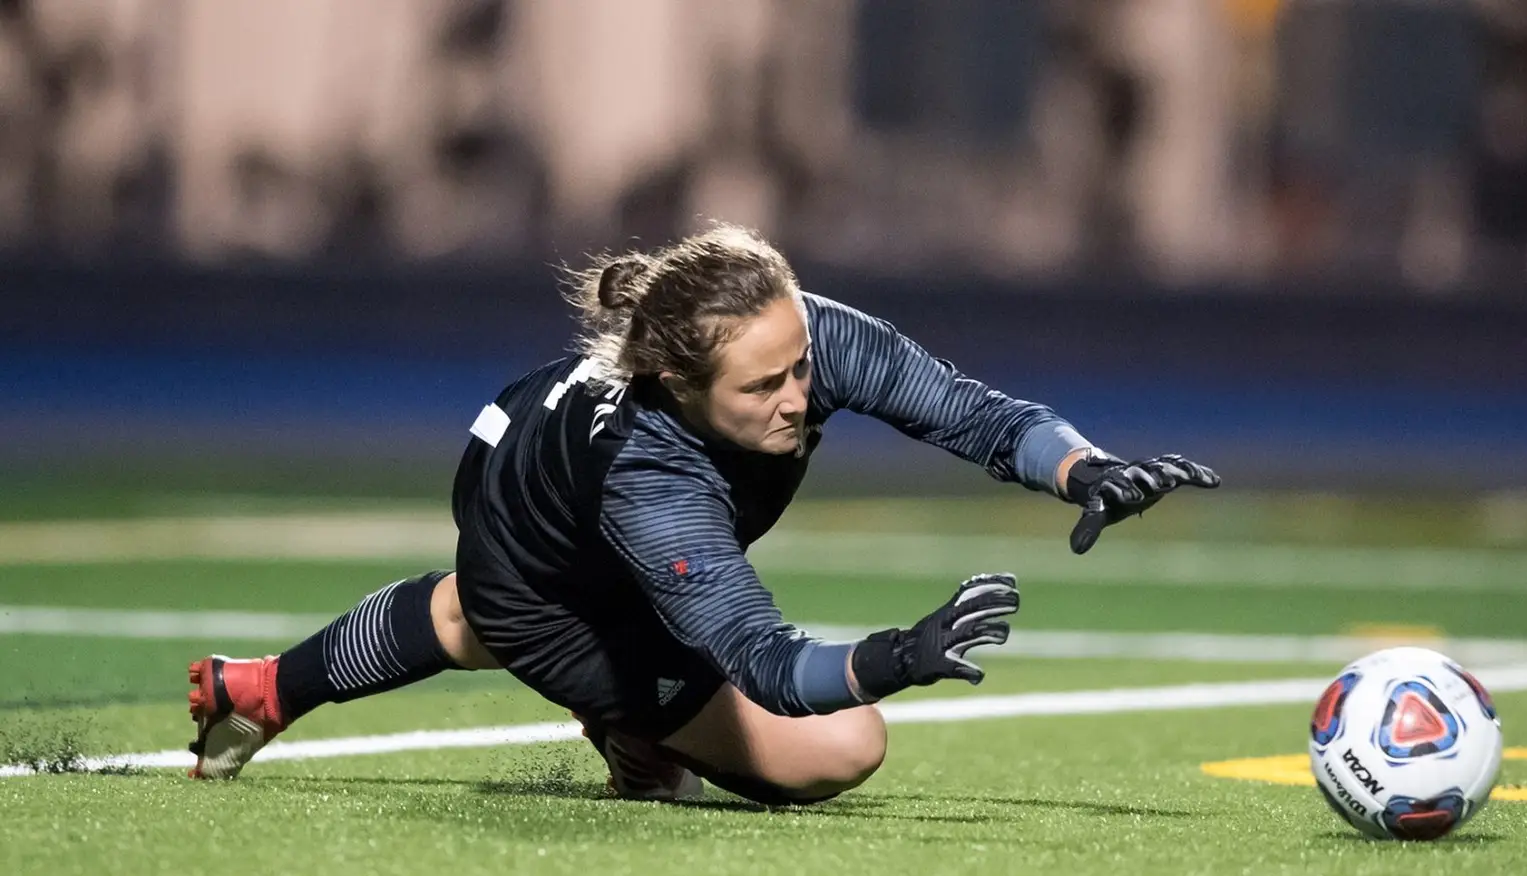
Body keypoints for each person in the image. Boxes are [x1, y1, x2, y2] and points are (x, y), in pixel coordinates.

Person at [184, 225, 1219, 804]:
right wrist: (893, 656)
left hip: (520, 451)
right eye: (762, 387)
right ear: (676, 378)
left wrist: (1081, 470)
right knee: (841, 749)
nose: (798, 397)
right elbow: (764, 658)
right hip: (540, 553)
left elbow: (970, 412)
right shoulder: (655, 481)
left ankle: (264, 687)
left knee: (487, 612)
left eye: (799, 367)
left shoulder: (796, 336)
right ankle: (622, 712)